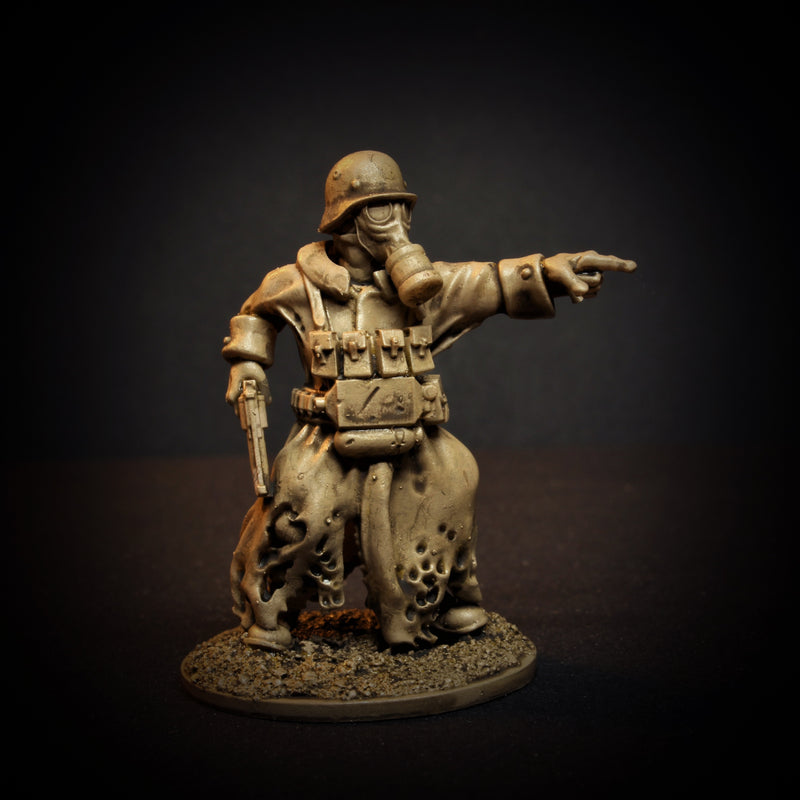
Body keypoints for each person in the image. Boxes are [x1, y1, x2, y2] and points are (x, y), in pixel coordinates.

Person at [223, 150, 636, 650]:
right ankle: (272, 611)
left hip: (414, 437)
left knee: (451, 486)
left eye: (403, 209)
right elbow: (255, 316)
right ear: (348, 220)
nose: (397, 224)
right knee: (299, 507)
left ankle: (450, 599)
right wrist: (248, 363)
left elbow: (490, 281)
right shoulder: (294, 284)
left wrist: (550, 270)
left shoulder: (423, 290)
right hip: (328, 437)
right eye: (383, 210)